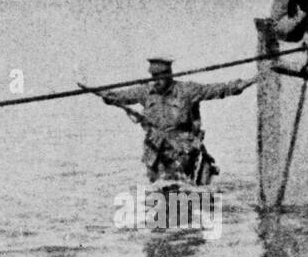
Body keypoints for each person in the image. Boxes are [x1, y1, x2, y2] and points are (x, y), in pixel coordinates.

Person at [95, 55, 254, 184]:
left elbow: (216, 90)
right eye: (153, 77)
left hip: (182, 149)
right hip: (156, 150)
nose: (156, 81)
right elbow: (120, 97)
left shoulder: (186, 90)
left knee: (180, 188)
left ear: (169, 75)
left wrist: (243, 84)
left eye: (160, 77)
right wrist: (107, 96)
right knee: (159, 191)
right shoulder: (146, 92)